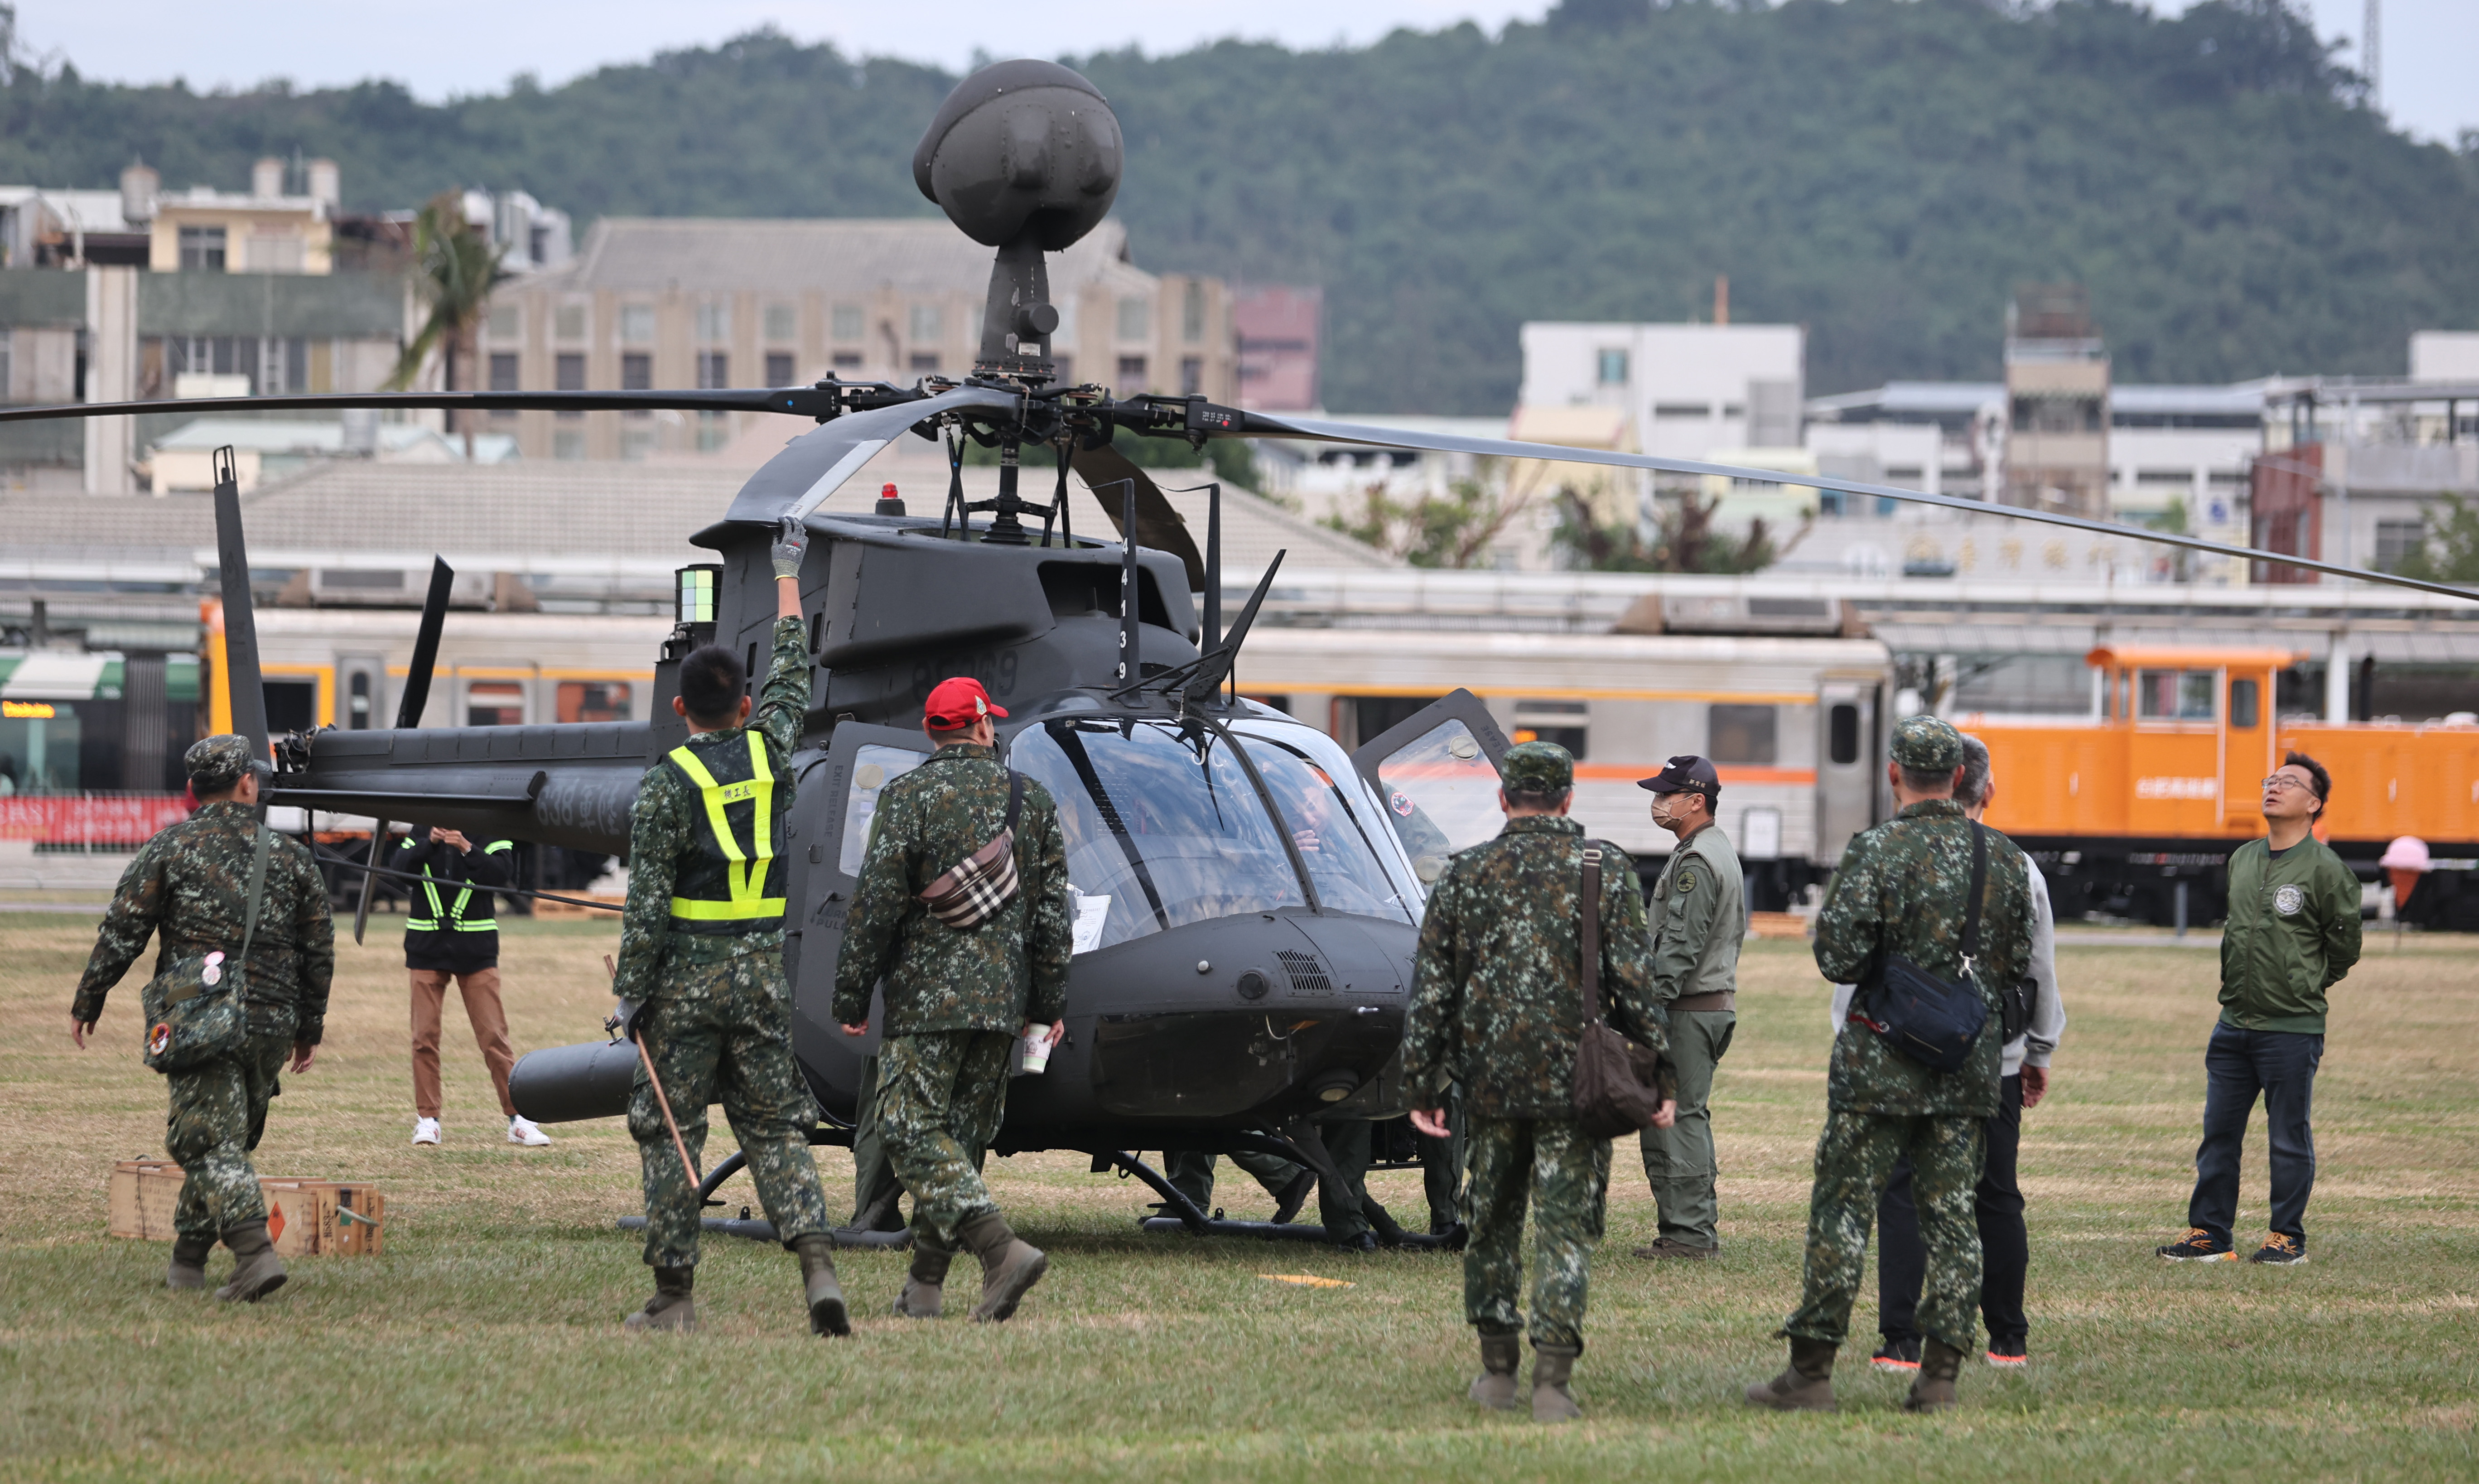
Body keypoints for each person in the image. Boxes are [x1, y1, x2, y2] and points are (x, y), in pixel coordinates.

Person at [1746, 715, 2035, 1415]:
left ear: (1893, 774)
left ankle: (1811, 1373)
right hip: (1965, 1067)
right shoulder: (2003, 857)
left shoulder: (1874, 850)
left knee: (1843, 1213)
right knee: (1953, 1221)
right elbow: (2017, 960)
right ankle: (1939, 1375)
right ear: (1962, 777)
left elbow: (1837, 958)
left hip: (1877, 1064)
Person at [608, 517, 842, 1336]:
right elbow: (793, 669)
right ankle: (817, 1266)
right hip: (759, 974)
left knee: (671, 1132)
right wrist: (789, 573)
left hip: (684, 982)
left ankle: (674, 1296)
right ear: (744, 707)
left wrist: (628, 996)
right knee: (776, 1124)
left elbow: (645, 908)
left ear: (679, 710)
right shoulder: (774, 748)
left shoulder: (666, 785)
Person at [1403, 741, 1674, 1425]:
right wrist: (1660, 1074)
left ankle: (1497, 1372)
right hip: (1579, 1086)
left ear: (1503, 800)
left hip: (1489, 1082)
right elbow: (1635, 982)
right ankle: (1554, 1380)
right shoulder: (1602, 867)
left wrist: (1423, 1080)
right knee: (1566, 1227)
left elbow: (1432, 990)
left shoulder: (1465, 872)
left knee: (1492, 1220)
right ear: (1568, 800)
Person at [833, 675, 1072, 1324]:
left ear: (932, 733)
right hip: (1002, 1003)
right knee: (960, 1142)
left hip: (926, 1001)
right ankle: (925, 1287)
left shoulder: (907, 795)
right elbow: (1054, 917)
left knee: (909, 1126)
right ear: (983, 727)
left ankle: (1000, 1251)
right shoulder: (1032, 799)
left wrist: (852, 995)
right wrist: (1046, 1005)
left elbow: (875, 906)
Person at [69, 734, 334, 1301]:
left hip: (199, 1015)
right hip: (270, 1019)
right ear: (247, 784)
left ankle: (254, 1256)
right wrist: (308, 1027)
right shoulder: (290, 856)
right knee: (224, 1142)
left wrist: (90, 997)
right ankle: (187, 1262)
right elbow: (319, 948)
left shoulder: (169, 848)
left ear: (194, 790)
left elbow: (123, 931)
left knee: (206, 1143)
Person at [1862, 736, 2066, 1371]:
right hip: (1990, 1055)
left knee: (1902, 1193)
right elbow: (2039, 969)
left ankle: (1900, 1341)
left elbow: (1855, 966)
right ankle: (2007, 1338)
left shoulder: (1884, 852)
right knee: (1995, 1194)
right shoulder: (2017, 864)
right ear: (1984, 789)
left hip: (1898, 1050)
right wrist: (2039, 1049)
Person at [2156, 751, 2360, 1266]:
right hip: (2232, 1025)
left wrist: (2306, 981)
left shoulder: (2327, 870)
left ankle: (2286, 1237)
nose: (2274, 787)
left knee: (2288, 1137)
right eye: (2272, 780)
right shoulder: (2243, 858)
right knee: (2218, 1135)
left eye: (2289, 783)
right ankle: (2210, 1235)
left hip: (2290, 1029)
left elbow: (2345, 945)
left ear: (2313, 804)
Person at [1631, 754, 1742, 1261]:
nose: (1658, 802)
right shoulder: (1713, 848)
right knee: (1686, 1115)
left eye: (1667, 794)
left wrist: (1649, 1011)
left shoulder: (1696, 861)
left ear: (1697, 801)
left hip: (1687, 1008)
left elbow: (1679, 946)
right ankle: (1689, 1230)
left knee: (1676, 1118)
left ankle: (1689, 1235)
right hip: (1705, 1005)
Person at [398, 826, 551, 1147]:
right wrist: (430, 844)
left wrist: (468, 848)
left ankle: (519, 1119)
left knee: (494, 1037)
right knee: (423, 1037)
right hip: (426, 947)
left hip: (477, 950)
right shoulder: (420, 828)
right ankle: (428, 1120)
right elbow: (400, 869)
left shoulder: (488, 827)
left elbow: (500, 877)